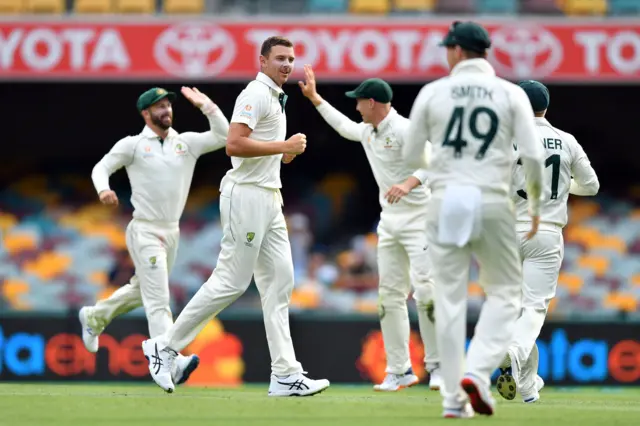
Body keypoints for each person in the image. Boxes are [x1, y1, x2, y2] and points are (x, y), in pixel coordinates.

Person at [141, 36, 330, 396]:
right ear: (262, 61)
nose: (287, 65)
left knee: (280, 283)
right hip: (246, 197)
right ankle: (163, 347)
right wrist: (284, 146)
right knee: (232, 280)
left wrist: (281, 156)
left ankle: (285, 374)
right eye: (279, 58)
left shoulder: (274, 96)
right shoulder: (255, 94)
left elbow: (254, 148)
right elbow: (234, 143)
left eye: (290, 58)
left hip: (269, 197)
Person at [402, 21, 545, 418]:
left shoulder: (433, 92)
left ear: (456, 51)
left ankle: (453, 399)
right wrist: (533, 206)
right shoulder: (511, 93)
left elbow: (413, 155)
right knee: (506, 295)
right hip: (493, 199)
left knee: (448, 300)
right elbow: (531, 156)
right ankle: (478, 373)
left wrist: (445, 166)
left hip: (447, 198)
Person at [298, 65, 442, 392]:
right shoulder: (368, 131)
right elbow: (344, 127)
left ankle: (439, 368)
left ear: (374, 102)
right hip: (390, 222)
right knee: (389, 296)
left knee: (427, 291)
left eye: (359, 101)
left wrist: (407, 184)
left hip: (420, 219)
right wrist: (315, 98)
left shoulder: (406, 128)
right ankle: (399, 370)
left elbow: (433, 163)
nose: (356, 106)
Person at [80, 86, 230, 386]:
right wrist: (104, 190)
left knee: (143, 290)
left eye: (168, 106)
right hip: (144, 229)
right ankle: (169, 361)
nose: (166, 111)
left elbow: (224, 136)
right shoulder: (133, 145)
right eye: (159, 107)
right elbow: (102, 167)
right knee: (159, 298)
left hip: (171, 231)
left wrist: (208, 106)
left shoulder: (186, 143)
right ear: (145, 113)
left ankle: (95, 317)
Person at [497, 80, 599, 403]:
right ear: (546, 107)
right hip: (547, 231)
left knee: (516, 310)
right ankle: (514, 353)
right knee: (534, 308)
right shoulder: (566, 141)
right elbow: (592, 185)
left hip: (509, 231)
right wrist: (563, 188)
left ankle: (527, 385)